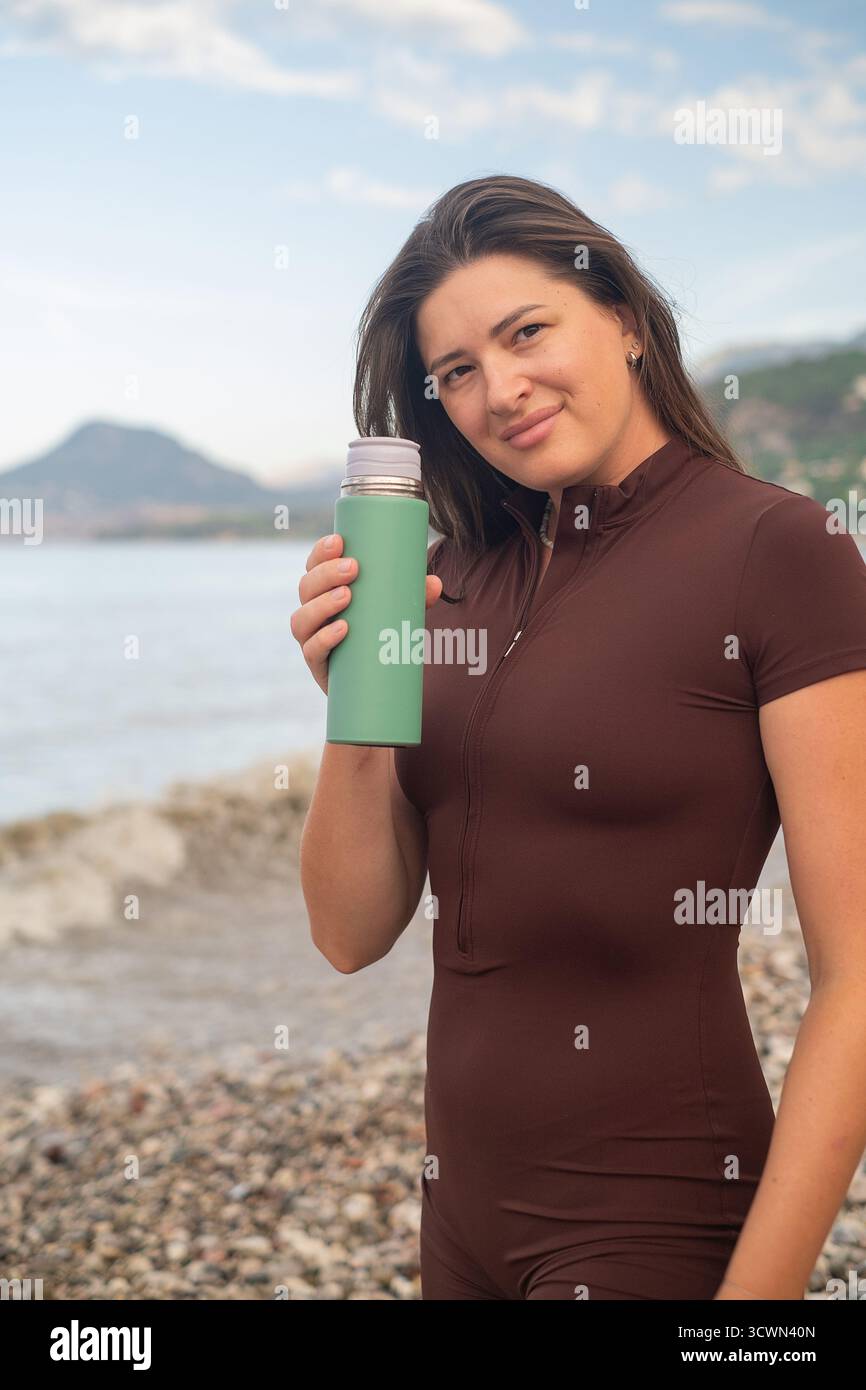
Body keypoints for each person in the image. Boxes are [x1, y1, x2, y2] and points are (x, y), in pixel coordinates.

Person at [295, 175, 866, 1301]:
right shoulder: (445, 578)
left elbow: (855, 976)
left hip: (653, 1212)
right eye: (454, 371)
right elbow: (349, 933)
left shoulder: (779, 551)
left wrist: (752, 1312)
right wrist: (351, 716)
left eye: (525, 332)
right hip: (455, 1218)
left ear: (620, 319)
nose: (497, 390)